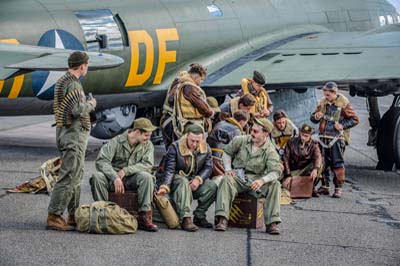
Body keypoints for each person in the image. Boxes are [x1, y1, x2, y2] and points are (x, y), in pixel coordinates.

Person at [47, 51, 97, 231]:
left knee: (76, 175)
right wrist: (92, 104)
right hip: (73, 136)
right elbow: (76, 110)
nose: (87, 68)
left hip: (67, 134)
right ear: (82, 65)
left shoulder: (63, 80)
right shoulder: (74, 85)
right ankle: (54, 215)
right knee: (68, 176)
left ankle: (73, 215)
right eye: (87, 65)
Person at [214, 118, 282, 234]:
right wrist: (228, 169)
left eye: (256, 131)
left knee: (275, 184)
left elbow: (275, 172)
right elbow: (227, 152)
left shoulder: (270, 150)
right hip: (239, 177)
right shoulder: (240, 140)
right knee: (226, 179)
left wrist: (262, 180)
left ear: (265, 134)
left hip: (256, 180)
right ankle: (222, 218)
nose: (252, 133)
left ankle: (272, 223)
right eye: (252, 130)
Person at [89, 118, 159, 232]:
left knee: (146, 177)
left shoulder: (148, 145)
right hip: (114, 179)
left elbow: (147, 165)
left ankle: (144, 216)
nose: (148, 138)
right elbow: (101, 161)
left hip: (132, 179)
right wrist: (114, 177)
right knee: (97, 177)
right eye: (146, 135)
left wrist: (126, 171)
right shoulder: (116, 141)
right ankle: (103, 214)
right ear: (137, 132)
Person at [157, 124, 217, 232]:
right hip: (177, 181)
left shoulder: (206, 148)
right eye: (192, 141)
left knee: (212, 186)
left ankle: (199, 215)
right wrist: (164, 186)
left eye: (197, 141)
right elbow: (169, 170)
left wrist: (198, 180)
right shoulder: (175, 147)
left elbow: (208, 167)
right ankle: (186, 218)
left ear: (202, 139)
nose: (194, 144)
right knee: (182, 181)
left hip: (194, 181)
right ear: (186, 137)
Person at [310, 81, 359, 198]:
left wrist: (342, 125)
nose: (325, 97)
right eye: (324, 94)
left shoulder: (343, 103)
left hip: (336, 138)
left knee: (337, 163)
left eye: (328, 95)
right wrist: (316, 117)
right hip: (323, 137)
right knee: (323, 163)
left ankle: (338, 188)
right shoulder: (322, 102)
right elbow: (312, 117)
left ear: (334, 93)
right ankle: (325, 186)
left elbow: (354, 119)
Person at [171, 63, 214, 140]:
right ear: (196, 77)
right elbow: (202, 106)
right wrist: (210, 113)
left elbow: (170, 99)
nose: (201, 82)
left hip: (184, 124)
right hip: (192, 124)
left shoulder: (181, 82)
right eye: (201, 79)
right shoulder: (190, 88)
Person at [282, 124, 323, 197]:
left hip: (304, 170)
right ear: (300, 133)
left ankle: (311, 188)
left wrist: (315, 169)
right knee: (282, 182)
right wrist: (288, 175)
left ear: (310, 136)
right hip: (292, 170)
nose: (304, 138)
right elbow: (285, 158)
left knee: (319, 165)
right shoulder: (291, 142)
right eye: (302, 135)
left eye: (306, 136)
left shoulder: (314, 145)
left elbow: (318, 157)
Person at [207, 110, 250, 178]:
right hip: (219, 160)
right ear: (242, 121)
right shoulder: (236, 131)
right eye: (245, 123)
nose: (245, 125)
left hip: (208, 154)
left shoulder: (221, 122)